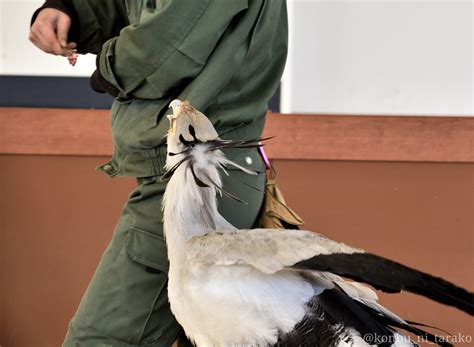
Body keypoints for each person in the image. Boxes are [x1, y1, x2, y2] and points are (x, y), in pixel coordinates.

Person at [29, 0, 288, 346]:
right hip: (197, 171)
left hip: (201, 176)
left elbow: (169, 45)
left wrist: (109, 66)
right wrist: (71, 13)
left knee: (100, 339)